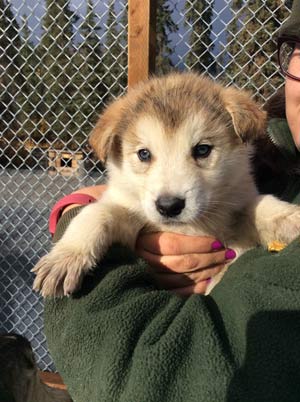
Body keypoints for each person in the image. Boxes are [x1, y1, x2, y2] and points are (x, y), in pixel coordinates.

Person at [43, 1, 300, 401]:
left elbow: (250, 212)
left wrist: (276, 217)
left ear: (238, 141)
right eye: (144, 155)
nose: (170, 189)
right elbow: (109, 213)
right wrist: (76, 240)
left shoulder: (243, 150)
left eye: (201, 151)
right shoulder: (280, 152)